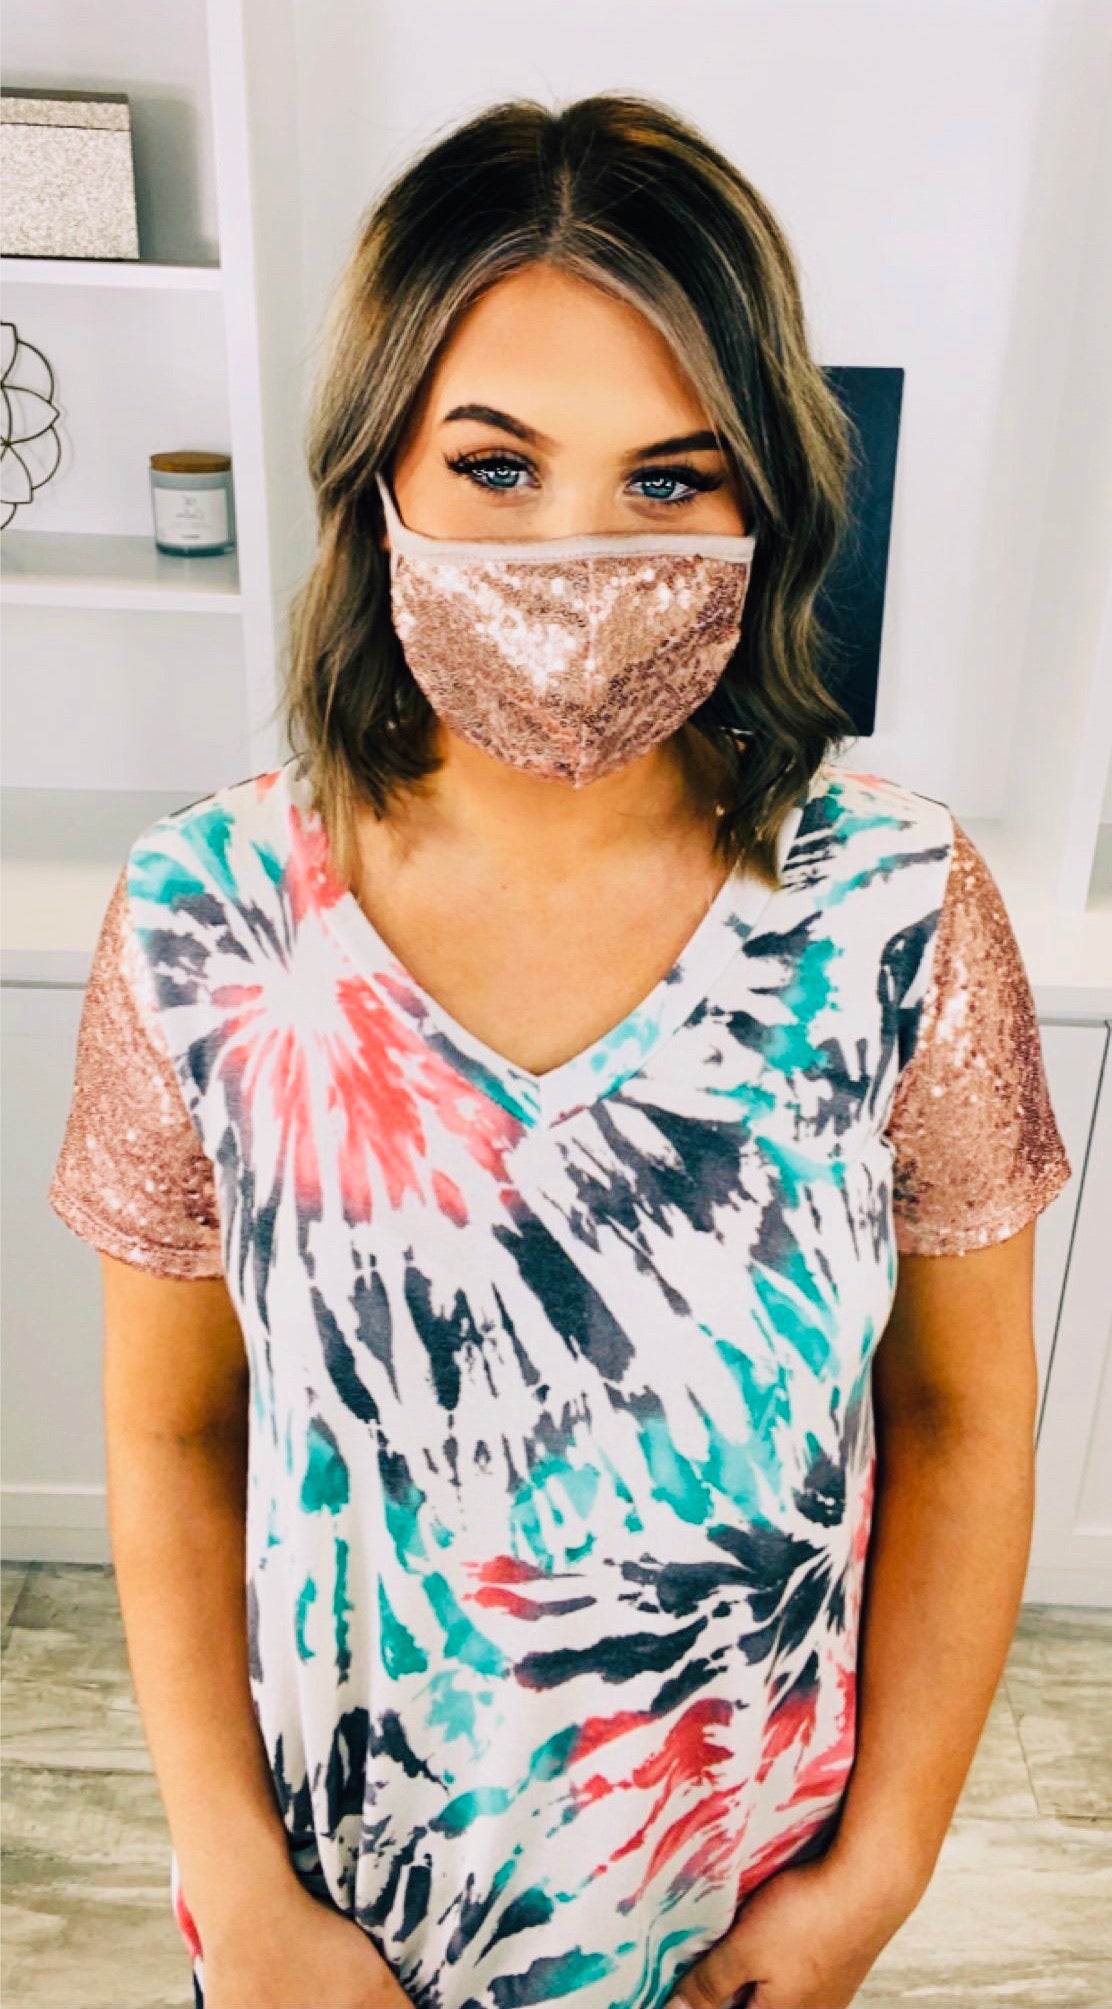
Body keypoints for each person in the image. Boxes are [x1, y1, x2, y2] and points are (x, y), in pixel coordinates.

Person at [49, 92, 1071, 2009]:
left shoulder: (903, 911)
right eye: (498, 465)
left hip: (736, 1915)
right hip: (334, 1921)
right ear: (379, 472)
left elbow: (963, 1419)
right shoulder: (208, 915)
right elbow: (171, 1429)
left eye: (670, 480)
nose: (577, 548)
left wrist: (876, 1879)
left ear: (765, 504)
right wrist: (242, 1895)